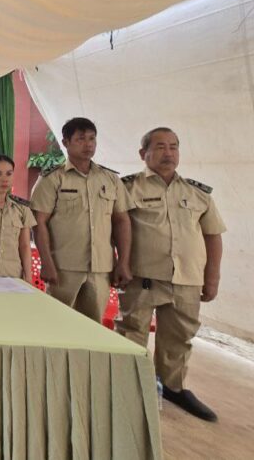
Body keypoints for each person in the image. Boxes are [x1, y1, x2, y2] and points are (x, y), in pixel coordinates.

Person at [118, 128, 225, 422]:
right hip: (142, 277)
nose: (168, 153)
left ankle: (173, 387)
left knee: (179, 337)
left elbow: (213, 235)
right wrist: (120, 263)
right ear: (144, 153)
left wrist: (212, 278)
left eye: (174, 147)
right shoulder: (128, 188)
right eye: (161, 147)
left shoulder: (198, 193)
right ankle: (127, 386)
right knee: (132, 332)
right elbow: (114, 229)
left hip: (186, 279)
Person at [31, 117, 132, 322]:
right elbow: (39, 223)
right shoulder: (53, 178)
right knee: (57, 322)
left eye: (92, 138)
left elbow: (121, 221)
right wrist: (46, 262)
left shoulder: (110, 179)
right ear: (66, 142)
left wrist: (123, 262)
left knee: (93, 325)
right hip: (63, 267)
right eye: (80, 139)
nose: (88, 144)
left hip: (100, 268)